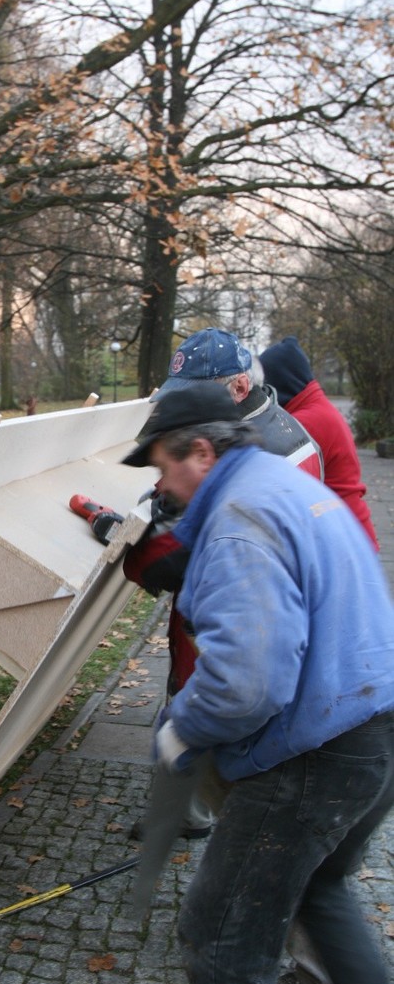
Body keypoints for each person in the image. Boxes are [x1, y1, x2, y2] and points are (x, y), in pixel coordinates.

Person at [120, 385, 394, 984]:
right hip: (376, 726)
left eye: (163, 465)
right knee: (321, 891)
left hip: (321, 751)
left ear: (201, 452)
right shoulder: (281, 486)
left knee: (221, 940)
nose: (159, 482)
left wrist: (184, 726)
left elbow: (247, 681)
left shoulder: (239, 523)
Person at [121, 328, 322, 835]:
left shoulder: (267, 449)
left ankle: (194, 812)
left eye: (195, 392)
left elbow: (193, 549)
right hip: (234, 601)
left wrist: (135, 540)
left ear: (235, 388)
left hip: (233, 608)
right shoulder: (267, 428)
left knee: (207, 700)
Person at [259, 335, 378, 548]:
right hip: (352, 531)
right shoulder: (317, 409)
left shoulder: (306, 422)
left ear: (278, 383)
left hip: (346, 540)